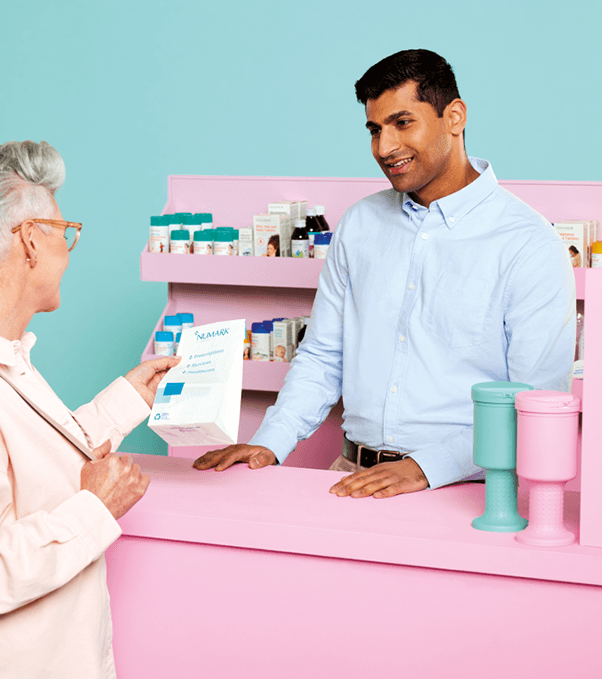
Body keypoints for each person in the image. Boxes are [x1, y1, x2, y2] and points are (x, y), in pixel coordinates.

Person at [194, 49, 575, 499]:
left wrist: (424, 467)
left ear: (454, 117)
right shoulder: (360, 224)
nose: (384, 148)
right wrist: (267, 444)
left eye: (402, 123)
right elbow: (322, 356)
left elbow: (533, 401)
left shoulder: (527, 243)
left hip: (465, 491)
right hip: (350, 475)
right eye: (374, 130)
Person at [0, 140, 178, 678]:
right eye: (65, 231)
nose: (69, 250)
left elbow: (34, 460)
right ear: (29, 240)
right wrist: (97, 508)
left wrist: (129, 398)